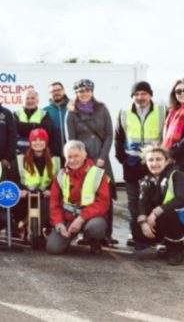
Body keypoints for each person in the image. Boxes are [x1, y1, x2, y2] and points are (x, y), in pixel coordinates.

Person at [115, 81, 165, 249]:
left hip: (154, 164)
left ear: (150, 95)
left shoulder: (161, 111)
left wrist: (164, 159)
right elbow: (118, 137)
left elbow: (167, 135)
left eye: (144, 93)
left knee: (156, 198)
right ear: (132, 97)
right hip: (132, 164)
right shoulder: (123, 112)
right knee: (133, 200)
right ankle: (134, 232)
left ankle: (157, 234)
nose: (140, 97)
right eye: (136, 94)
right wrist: (122, 158)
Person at [65, 79, 117, 245]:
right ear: (76, 93)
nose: (84, 94)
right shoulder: (71, 113)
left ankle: (106, 234)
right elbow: (71, 141)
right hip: (82, 162)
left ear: (92, 91)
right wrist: (81, 161)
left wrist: (102, 157)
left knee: (105, 195)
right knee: (84, 195)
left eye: (87, 90)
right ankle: (86, 234)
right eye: (81, 91)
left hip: (102, 160)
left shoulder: (102, 108)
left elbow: (109, 134)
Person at [134, 145, 184, 265]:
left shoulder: (177, 175)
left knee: (165, 214)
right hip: (166, 220)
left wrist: (156, 212)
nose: (154, 163)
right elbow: (141, 203)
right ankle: (167, 243)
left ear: (167, 161)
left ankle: (177, 249)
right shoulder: (146, 180)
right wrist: (143, 223)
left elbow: (181, 199)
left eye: (158, 159)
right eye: (150, 160)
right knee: (137, 228)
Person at [47, 140, 110, 255]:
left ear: (84, 155)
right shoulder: (60, 175)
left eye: (76, 156)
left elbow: (103, 202)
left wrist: (81, 218)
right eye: (69, 157)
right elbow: (54, 203)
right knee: (52, 248)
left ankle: (93, 240)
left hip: (90, 218)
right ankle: (66, 238)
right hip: (68, 219)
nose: (72, 160)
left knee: (96, 228)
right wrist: (59, 224)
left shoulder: (98, 173)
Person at [7, 128, 60, 243]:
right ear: (30, 142)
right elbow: (12, 179)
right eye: (35, 140)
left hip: (44, 196)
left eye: (41, 139)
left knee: (49, 205)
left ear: (46, 142)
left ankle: (41, 228)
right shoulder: (20, 160)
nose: (38, 143)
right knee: (17, 205)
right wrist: (19, 190)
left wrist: (52, 191)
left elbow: (60, 181)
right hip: (25, 196)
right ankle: (23, 225)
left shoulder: (55, 160)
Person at [13, 89, 56, 155]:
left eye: (33, 98)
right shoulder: (16, 114)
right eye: (27, 98)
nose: (30, 101)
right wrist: (36, 126)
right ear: (22, 100)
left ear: (37, 101)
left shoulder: (44, 114)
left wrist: (22, 127)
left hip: (39, 152)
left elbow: (46, 132)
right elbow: (15, 129)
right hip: (19, 151)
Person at [43, 82, 70, 161]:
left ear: (63, 91)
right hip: (53, 155)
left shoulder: (73, 107)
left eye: (58, 90)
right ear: (49, 94)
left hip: (72, 154)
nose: (56, 93)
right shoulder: (45, 111)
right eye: (53, 91)